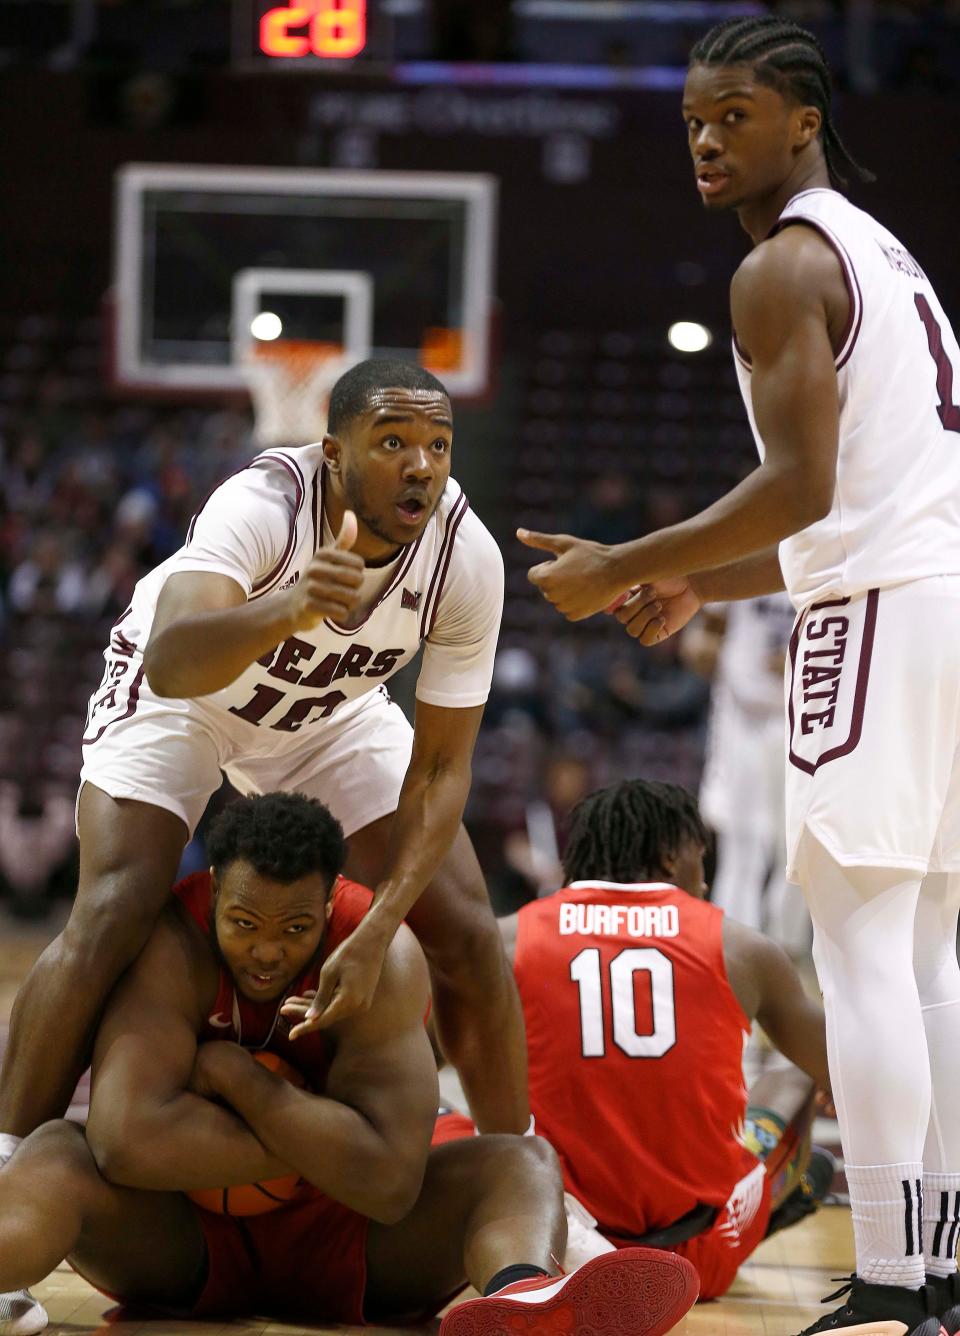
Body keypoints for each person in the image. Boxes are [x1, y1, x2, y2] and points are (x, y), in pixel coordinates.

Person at [518, 15, 960, 1333]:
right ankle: (938, 1260)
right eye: (694, 122)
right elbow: (857, 504)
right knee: (930, 953)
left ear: (804, 120)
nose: (709, 141)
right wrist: (705, 582)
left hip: (884, 620)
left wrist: (618, 564)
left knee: (865, 946)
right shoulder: (888, 260)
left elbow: (801, 489)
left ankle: (892, 1275)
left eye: (735, 117)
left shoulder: (782, 268)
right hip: (941, 598)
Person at [0, 358, 528, 1331]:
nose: (423, 466)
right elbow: (172, 653)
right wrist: (290, 607)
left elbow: (443, 773)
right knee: (119, 897)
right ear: (335, 453)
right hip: (192, 691)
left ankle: (531, 1216)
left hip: (328, 715)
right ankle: (3, 1166)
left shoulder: (466, 556)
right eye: (394, 443)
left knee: (464, 926)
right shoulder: (262, 504)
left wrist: (382, 929)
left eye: (439, 446)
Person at [0, 791, 699, 1336]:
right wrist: (331, 1143)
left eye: (295, 929)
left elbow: (392, 1181)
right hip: (179, 1240)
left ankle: (523, 1300)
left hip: (355, 1243)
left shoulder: (382, 958)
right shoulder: (172, 943)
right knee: (60, 1151)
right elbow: (126, 1143)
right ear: (213, 891)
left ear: (332, 903)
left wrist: (239, 1080)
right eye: (243, 925)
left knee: (522, 1161)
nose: (267, 953)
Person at [448, 779, 834, 1299]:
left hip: (547, 1237)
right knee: (794, 1079)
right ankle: (772, 1200)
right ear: (672, 858)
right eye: (702, 859)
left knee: (445, 1126)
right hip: (702, 1253)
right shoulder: (743, 947)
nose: (704, 880)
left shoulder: (509, 936)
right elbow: (847, 1071)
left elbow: (418, 1056)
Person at [683, 593, 808, 953]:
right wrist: (702, 649)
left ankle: (786, 950)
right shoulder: (745, 550)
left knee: (799, 842)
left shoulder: (829, 553)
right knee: (743, 839)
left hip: (805, 716)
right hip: (742, 713)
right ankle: (733, 949)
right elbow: (706, 631)